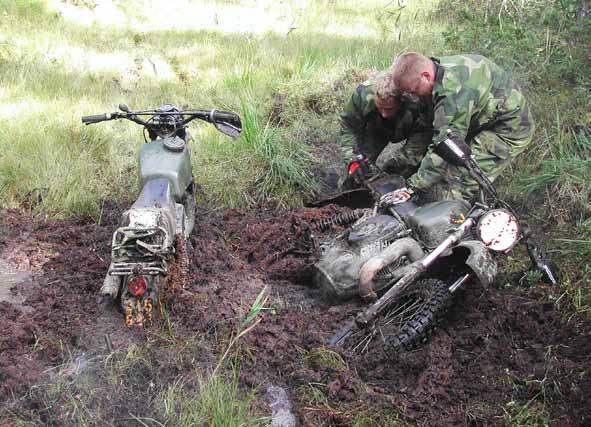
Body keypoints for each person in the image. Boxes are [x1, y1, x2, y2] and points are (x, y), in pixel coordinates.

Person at [389, 52, 534, 201]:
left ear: (426, 76)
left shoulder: (453, 91)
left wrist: (413, 187)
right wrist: (400, 166)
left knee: (458, 181)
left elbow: (445, 146)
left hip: (508, 129)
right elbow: (425, 130)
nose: (413, 97)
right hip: (480, 119)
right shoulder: (434, 74)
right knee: (435, 172)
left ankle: (454, 219)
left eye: (414, 91)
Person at [337, 70, 434, 188]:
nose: (385, 114)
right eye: (380, 107)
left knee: (406, 165)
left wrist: (391, 172)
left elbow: (423, 135)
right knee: (359, 169)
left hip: (413, 127)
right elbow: (348, 126)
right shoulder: (363, 95)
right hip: (376, 127)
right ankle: (348, 193)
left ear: (401, 100)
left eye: (389, 109)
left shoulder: (417, 99)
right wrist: (352, 159)